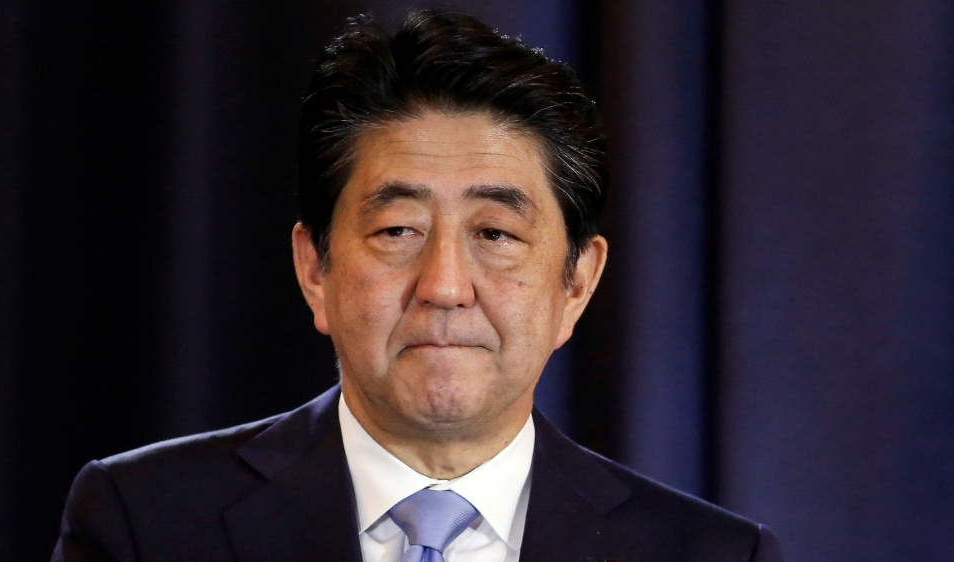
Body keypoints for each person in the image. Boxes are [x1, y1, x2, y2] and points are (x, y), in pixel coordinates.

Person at [53, 9, 783, 562]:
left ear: (577, 285)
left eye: (495, 234)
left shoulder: (712, 554)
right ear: (315, 269)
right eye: (398, 230)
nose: (445, 287)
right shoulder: (145, 522)